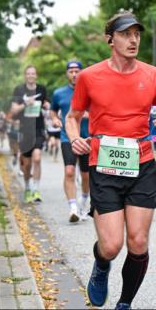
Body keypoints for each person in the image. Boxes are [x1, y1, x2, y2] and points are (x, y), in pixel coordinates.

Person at [66, 11, 156, 310]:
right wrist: (75, 139)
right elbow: (73, 117)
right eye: (126, 34)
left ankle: (125, 303)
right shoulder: (90, 76)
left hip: (141, 163)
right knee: (112, 245)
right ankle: (101, 263)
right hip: (103, 165)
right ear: (110, 39)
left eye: (137, 34)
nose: (133, 40)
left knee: (138, 241)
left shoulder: (153, 75)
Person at [51, 61, 92, 223]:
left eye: (77, 71)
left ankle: (83, 200)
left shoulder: (90, 91)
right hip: (67, 137)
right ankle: (73, 208)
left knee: (86, 176)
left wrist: (88, 116)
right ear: (67, 74)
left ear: (82, 73)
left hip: (87, 138)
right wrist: (55, 119)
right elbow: (53, 111)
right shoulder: (59, 93)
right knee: (69, 171)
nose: (74, 74)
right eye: (71, 71)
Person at [11, 65, 49, 203]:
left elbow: (46, 104)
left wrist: (47, 106)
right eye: (28, 73)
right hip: (25, 130)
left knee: (37, 158)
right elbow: (14, 110)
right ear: (25, 75)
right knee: (26, 165)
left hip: (38, 129)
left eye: (33, 73)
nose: (31, 76)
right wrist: (26, 104)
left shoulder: (42, 89)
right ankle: (27, 188)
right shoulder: (19, 90)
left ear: (36, 75)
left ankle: (36, 190)